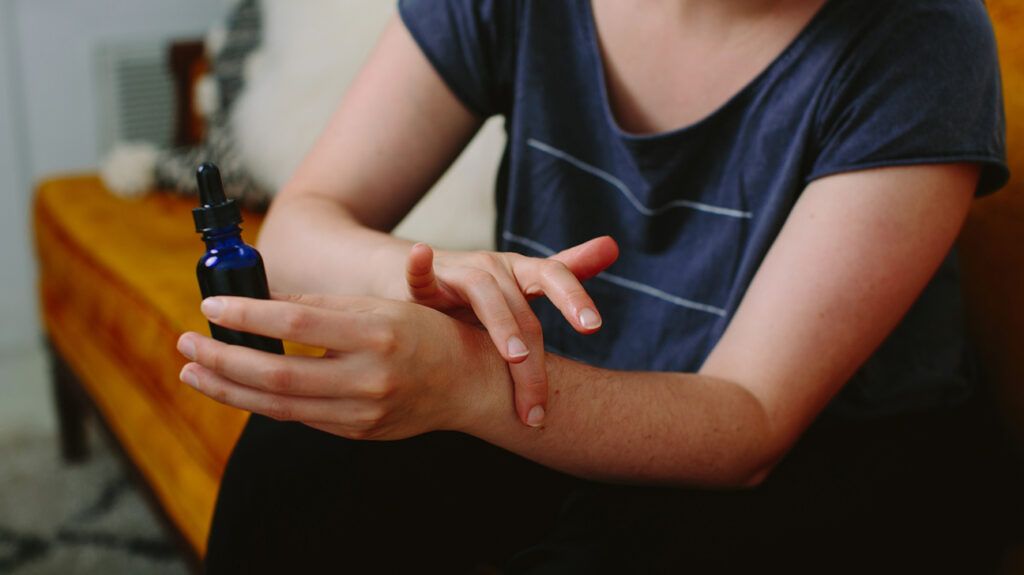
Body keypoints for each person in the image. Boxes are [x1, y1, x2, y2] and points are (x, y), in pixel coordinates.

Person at [176, 0, 1022, 572]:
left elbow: (749, 423)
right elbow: (303, 222)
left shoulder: (922, 38)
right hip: (562, 409)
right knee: (299, 462)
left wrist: (468, 379)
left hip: (829, 460)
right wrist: (426, 277)